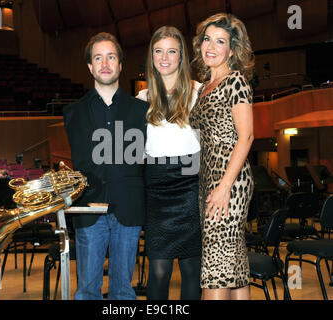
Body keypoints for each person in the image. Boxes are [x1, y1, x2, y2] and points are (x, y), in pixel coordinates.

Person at [63, 32, 149, 300]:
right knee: (87, 291)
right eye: (98, 58)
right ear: (90, 66)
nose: (104, 63)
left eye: (111, 57)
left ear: (120, 65)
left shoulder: (142, 111)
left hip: (129, 208)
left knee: (123, 292)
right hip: (89, 210)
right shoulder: (72, 113)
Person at [189, 13, 255, 300]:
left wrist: (225, 186)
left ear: (231, 50)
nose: (211, 47)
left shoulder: (235, 80)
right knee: (233, 263)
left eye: (220, 41)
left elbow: (247, 136)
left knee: (216, 265)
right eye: (207, 39)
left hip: (230, 181)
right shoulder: (203, 87)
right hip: (209, 178)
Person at [136, 26, 202, 300]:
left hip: (191, 185)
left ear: (181, 56)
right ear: (151, 56)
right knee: (160, 271)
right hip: (156, 188)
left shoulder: (200, 93)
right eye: (158, 51)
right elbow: (137, 152)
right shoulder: (141, 99)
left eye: (171, 51)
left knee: (191, 270)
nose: (165, 57)